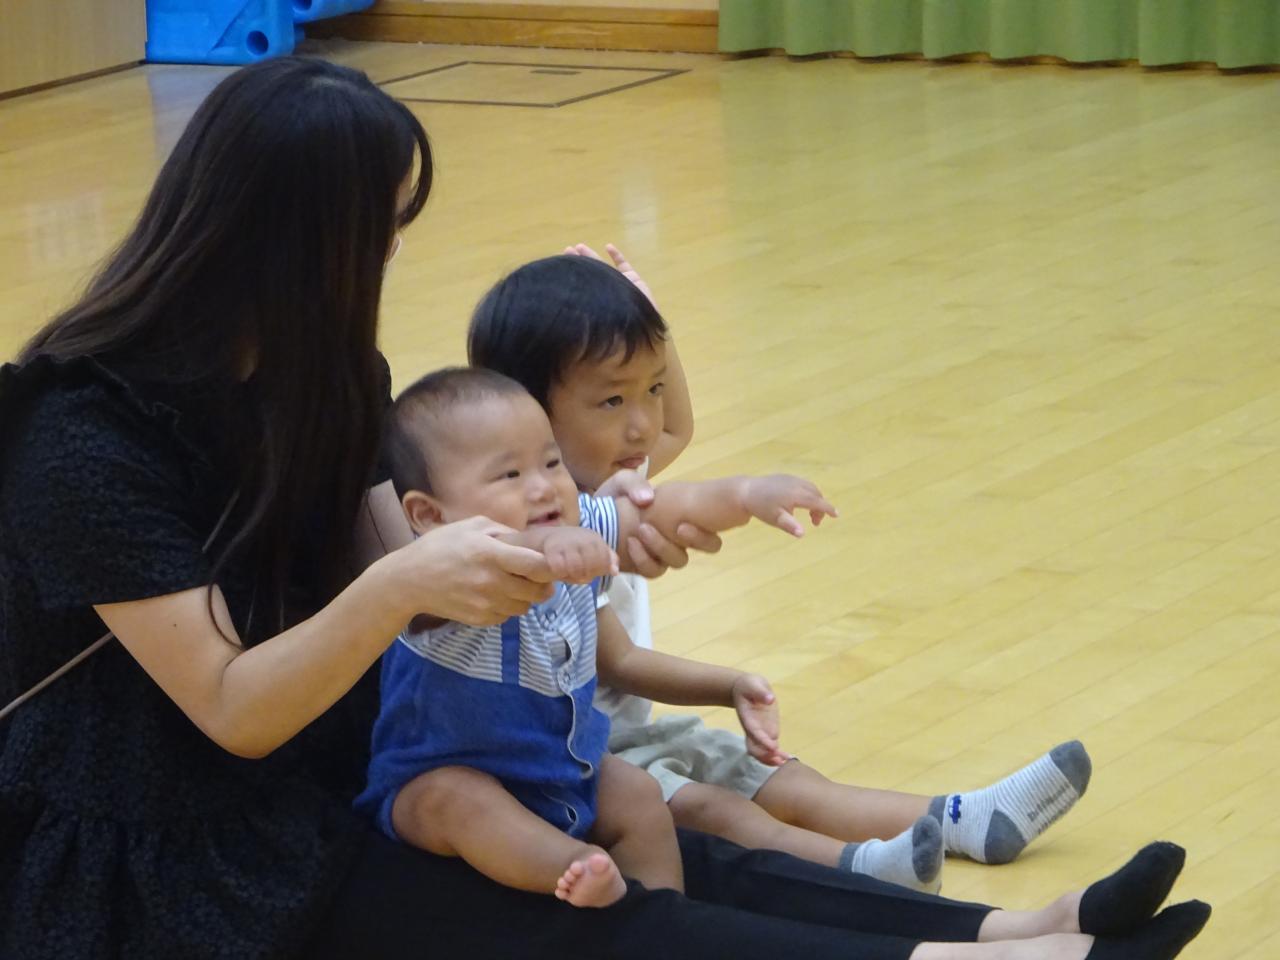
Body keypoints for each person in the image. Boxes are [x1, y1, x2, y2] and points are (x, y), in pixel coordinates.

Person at [0, 56, 1209, 960]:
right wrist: (408, 583)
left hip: (334, 763)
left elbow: (416, 560)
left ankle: (1013, 930)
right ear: (286, 239)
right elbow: (233, 710)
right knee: (587, 905)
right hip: (170, 856)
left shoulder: (328, 378)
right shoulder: (82, 437)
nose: (387, 259)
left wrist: (582, 537)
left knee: (666, 830)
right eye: (375, 231)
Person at [468, 251, 1092, 891]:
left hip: (632, 733)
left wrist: (651, 328)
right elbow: (619, 660)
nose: (643, 424)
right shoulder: (546, 531)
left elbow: (673, 427)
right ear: (527, 412)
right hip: (580, 762)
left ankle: (966, 819)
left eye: (651, 389)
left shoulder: (606, 469)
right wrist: (727, 673)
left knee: (781, 778)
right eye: (612, 398)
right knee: (719, 811)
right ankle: (862, 870)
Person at [354, 366, 836, 907]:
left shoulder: (576, 525)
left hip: (564, 771)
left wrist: (745, 494)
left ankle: (663, 917)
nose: (543, 486)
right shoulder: (431, 583)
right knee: (457, 801)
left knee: (638, 794)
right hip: (429, 785)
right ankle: (573, 867)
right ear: (429, 515)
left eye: (551, 462)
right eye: (509, 475)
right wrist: (546, 549)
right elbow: (504, 558)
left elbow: (661, 510)